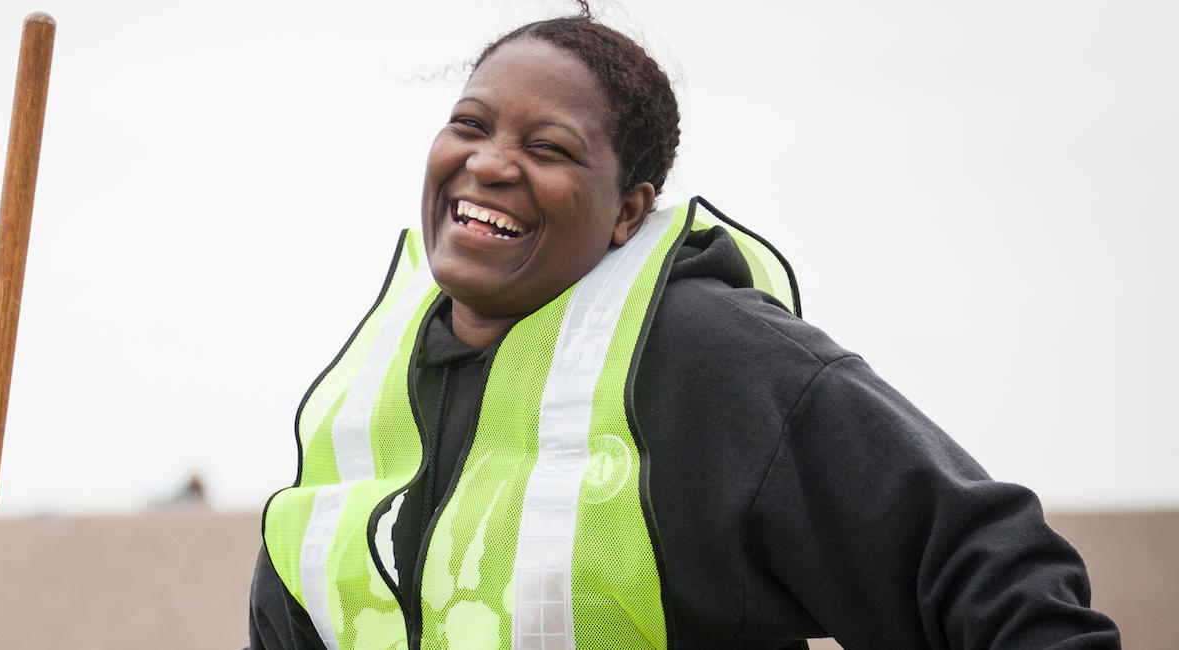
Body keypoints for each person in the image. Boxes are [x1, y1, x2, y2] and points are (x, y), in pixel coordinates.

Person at [247, 9, 1120, 649]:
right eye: (469, 125)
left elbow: (989, 571)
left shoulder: (709, 355)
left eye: (548, 148)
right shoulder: (368, 389)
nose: (490, 162)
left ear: (629, 212)